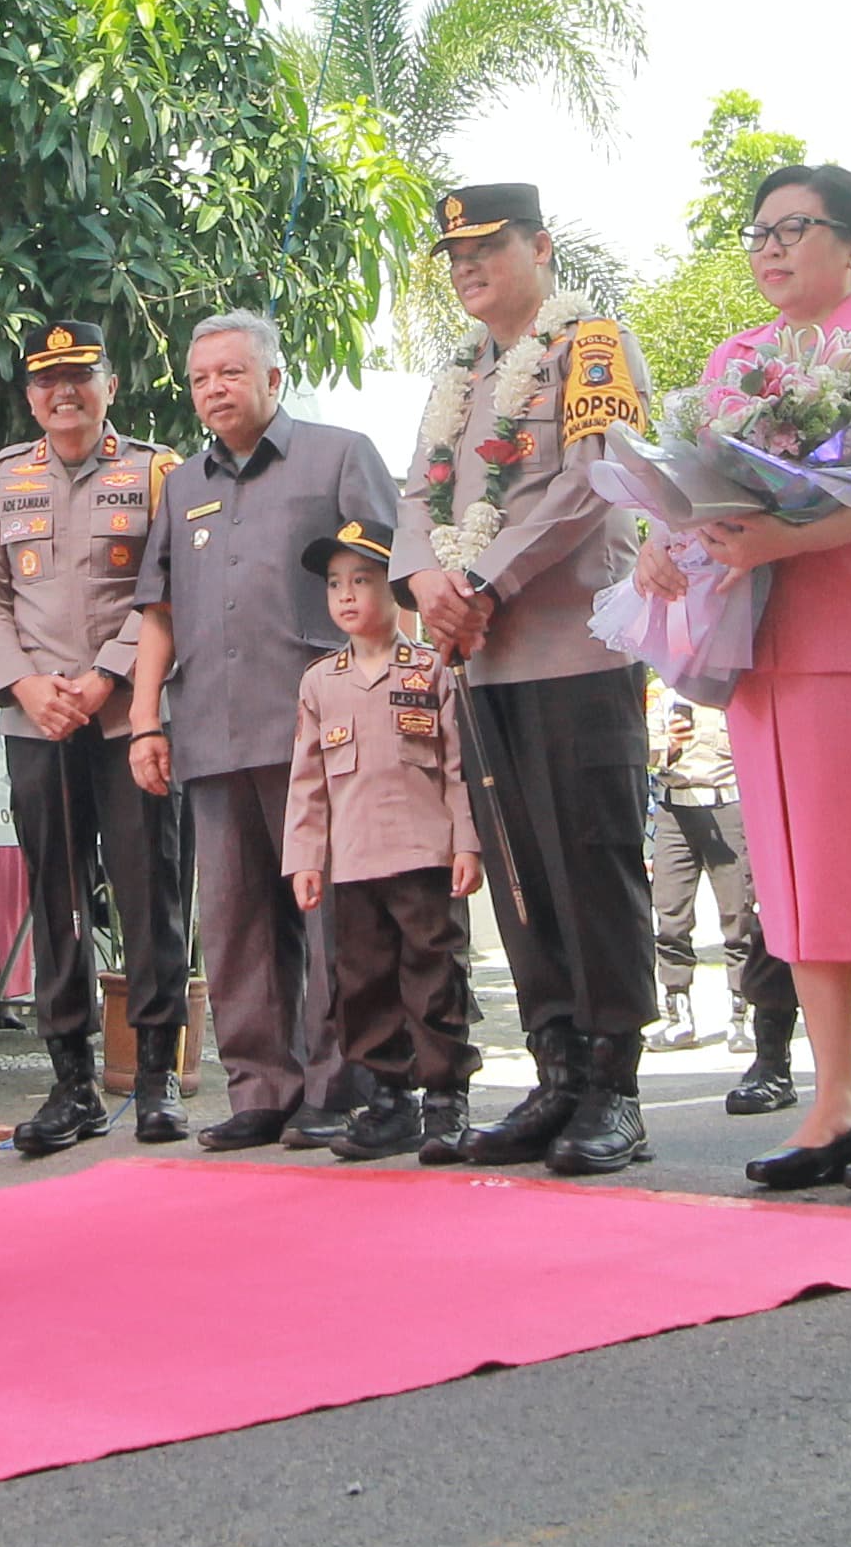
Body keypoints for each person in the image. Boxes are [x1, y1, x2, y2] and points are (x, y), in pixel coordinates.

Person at [639, 165, 851, 1197]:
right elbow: (695, 480)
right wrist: (663, 536)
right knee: (798, 878)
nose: (771, 248)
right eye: (759, 232)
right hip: (765, 644)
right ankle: (832, 1101)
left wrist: (786, 537)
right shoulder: (734, 357)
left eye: (795, 229)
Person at [390, 185, 664, 1174]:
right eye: (452, 254)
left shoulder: (589, 343)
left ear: (539, 246)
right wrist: (423, 577)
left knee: (590, 863)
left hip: (574, 650)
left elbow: (596, 482)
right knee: (517, 875)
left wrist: (479, 578)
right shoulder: (460, 371)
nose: (465, 267)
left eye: (486, 247)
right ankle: (555, 1076)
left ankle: (612, 1089)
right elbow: (417, 492)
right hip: (482, 658)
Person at [131, 311, 398, 1151]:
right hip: (212, 724)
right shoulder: (181, 486)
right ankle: (260, 1087)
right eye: (201, 376)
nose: (214, 388)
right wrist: (145, 719)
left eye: (231, 373)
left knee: (330, 912)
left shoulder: (340, 454)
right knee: (236, 918)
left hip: (323, 730)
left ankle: (337, 1083)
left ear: (273, 379)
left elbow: (395, 583)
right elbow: (158, 610)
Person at [0, 320, 194, 1155]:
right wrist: (27, 685)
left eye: (79, 375)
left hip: (131, 719)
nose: (63, 392)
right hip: (38, 720)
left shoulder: (157, 472)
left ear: (111, 383)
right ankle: (72, 1083)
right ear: (29, 394)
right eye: (46, 380)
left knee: (148, 894)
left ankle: (158, 1080)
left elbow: (167, 586)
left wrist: (106, 675)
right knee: (55, 899)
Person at [282, 522, 485, 1160]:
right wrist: (305, 860)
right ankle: (388, 1099)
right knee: (361, 983)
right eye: (336, 585)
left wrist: (467, 845)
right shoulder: (320, 682)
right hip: (352, 865)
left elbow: (458, 769)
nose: (346, 596)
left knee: (435, 978)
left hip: (424, 857)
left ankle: (446, 1100)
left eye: (363, 581)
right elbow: (307, 781)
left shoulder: (433, 669)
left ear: (396, 591)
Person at [647, 683, 787, 1106]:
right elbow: (644, 755)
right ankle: (678, 1013)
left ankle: (740, 1015)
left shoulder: (732, 689)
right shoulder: (661, 693)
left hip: (726, 806)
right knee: (669, 914)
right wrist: (666, 746)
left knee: (738, 917)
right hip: (674, 810)